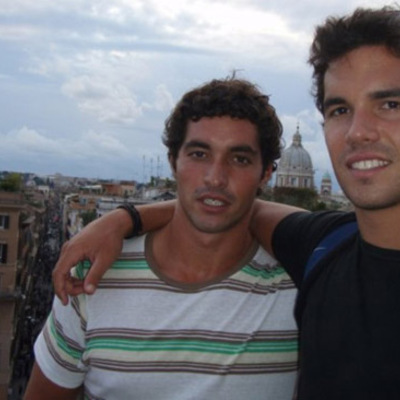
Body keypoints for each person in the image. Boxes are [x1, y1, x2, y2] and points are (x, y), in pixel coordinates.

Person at [51, 5, 400, 400]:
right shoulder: (323, 249)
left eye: (390, 104)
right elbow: (227, 203)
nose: (357, 132)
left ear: (266, 173)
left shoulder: (312, 257)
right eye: (340, 109)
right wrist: (122, 219)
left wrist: (122, 218)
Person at [24, 77, 300, 400]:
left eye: (239, 159)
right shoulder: (93, 278)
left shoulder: (299, 290)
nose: (215, 177)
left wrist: (125, 217)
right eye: (199, 154)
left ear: (265, 173)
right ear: (173, 161)